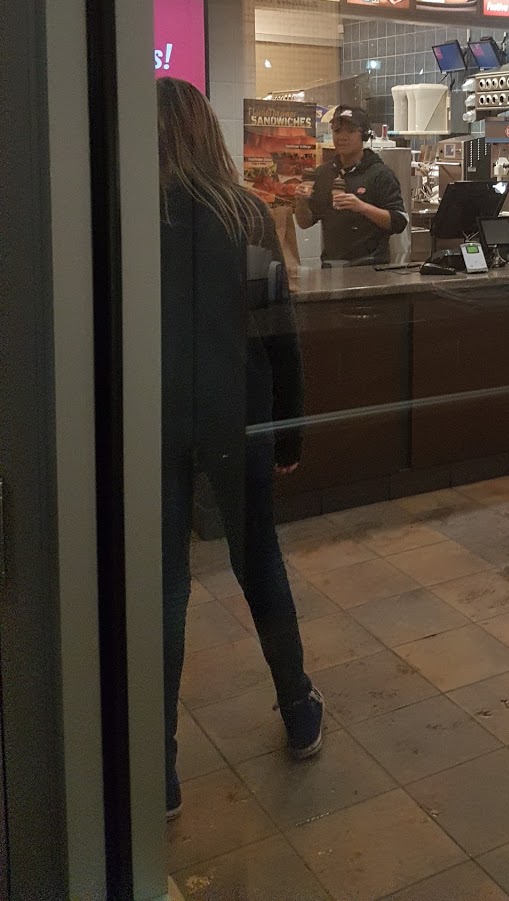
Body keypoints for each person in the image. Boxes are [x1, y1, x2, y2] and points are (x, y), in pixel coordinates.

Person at [157, 77, 323, 823]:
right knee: (259, 562)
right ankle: (298, 709)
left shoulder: (125, 213)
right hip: (239, 415)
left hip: (154, 418)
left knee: (164, 584)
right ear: (208, 132)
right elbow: (276, 328)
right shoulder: (245, 214)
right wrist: (291, 424)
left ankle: (159, 764)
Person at [295, 105, 407, 265]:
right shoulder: (323, 173)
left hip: (371, 268)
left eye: (350, 131)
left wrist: (362, 207)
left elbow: (399, 221)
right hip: (332, 267)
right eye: (337, 131)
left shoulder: (380, 174)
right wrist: (301, 202)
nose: (342, 137)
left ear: (365, 135)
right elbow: (305, 223)